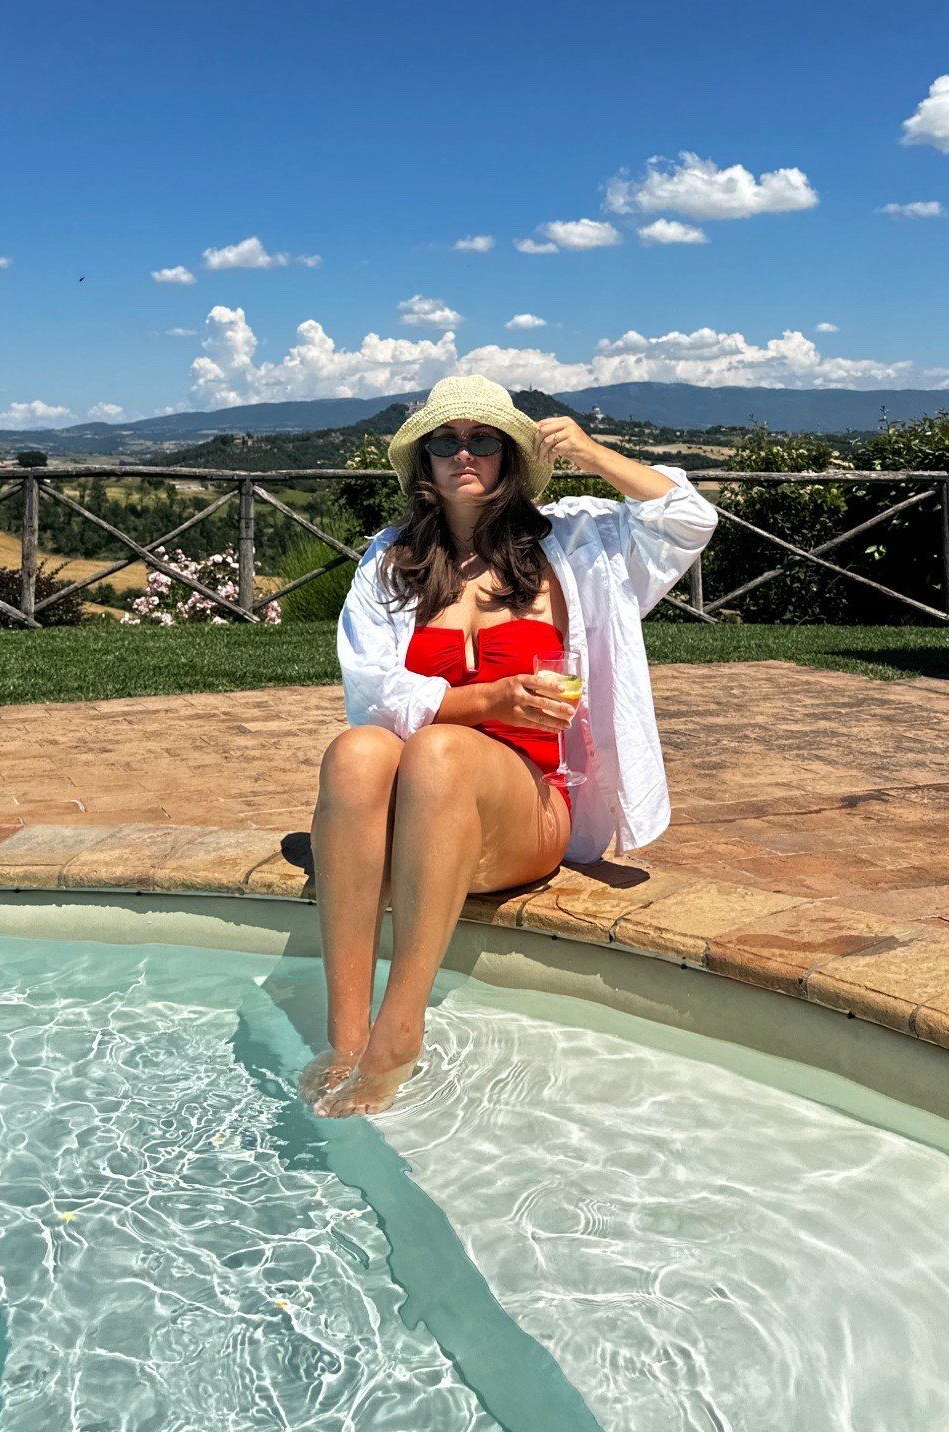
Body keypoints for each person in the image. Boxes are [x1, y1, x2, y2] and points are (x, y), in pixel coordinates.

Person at [302, 375, 717, 1117]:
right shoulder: (392, 558)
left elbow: (688, 518)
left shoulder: (577, 542)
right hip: (419, 811)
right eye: (446, 440)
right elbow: (371, 693)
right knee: (355, 751)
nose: (464, 453)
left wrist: (593, 454)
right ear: (424, 460)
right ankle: (345, 1033)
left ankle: (398, 1031)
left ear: (512, 456)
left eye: (484, 440)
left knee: (440, 751)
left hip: (530, 801)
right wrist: (488, 699)